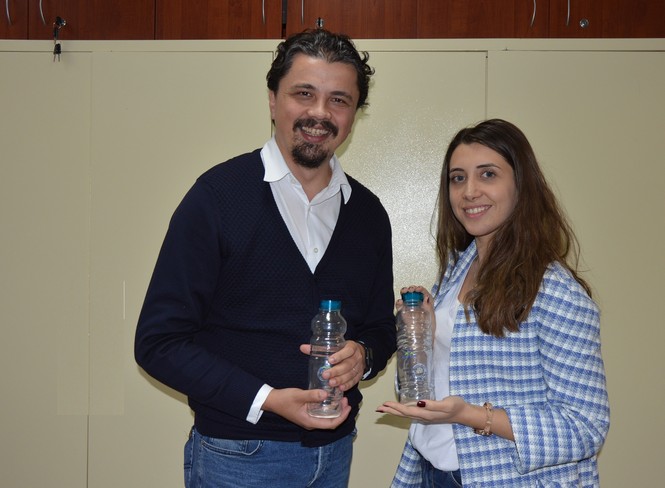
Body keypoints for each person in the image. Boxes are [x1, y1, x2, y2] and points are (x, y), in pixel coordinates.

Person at [135, 29, 396, 488]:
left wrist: (365, 357)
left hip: (336, 454)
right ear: (273, 100)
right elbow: (159, 343)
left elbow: (379, 328)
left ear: (354, 114)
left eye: (339, 100)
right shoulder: (216, 198)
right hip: (237, 456)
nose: (320, 113)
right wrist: (268, 400)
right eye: (304, 94)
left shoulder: (369, 214)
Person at [377, 119, 610, 487]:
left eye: (488, 174)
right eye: (458, 178)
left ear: (521, 185)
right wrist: (422, 335)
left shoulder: (553, 290)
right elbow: (440, 380)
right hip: (430, 471)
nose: (469, 191)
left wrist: (472, 415)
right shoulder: (456, 271)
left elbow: (586, 426)